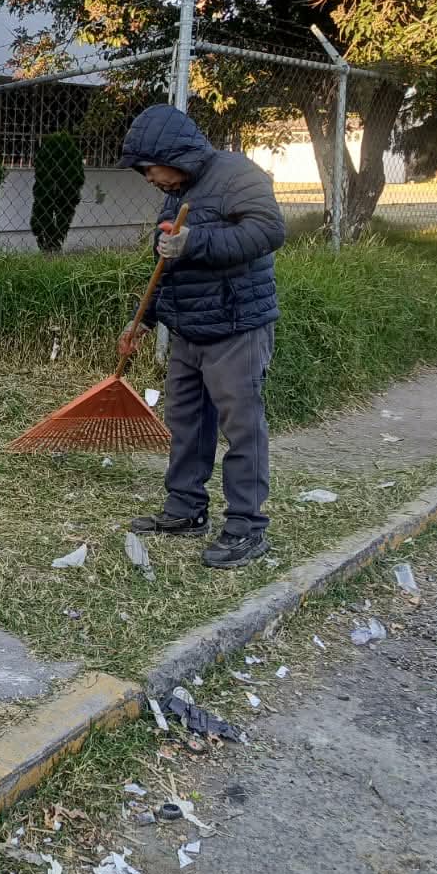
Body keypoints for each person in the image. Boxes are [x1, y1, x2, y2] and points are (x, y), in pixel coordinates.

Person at [115, 104, 286, 568]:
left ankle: (247, 529)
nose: (148, 179)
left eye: (150, 168)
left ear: (173, 155)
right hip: (189, 329)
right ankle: (186, 510)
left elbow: (268, 232)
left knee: (242, 428)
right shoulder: (178, 191)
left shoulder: (237, 174)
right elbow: (166, 267)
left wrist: (196, 241)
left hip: (236, 326)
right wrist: (143, 319)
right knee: (187, 423)